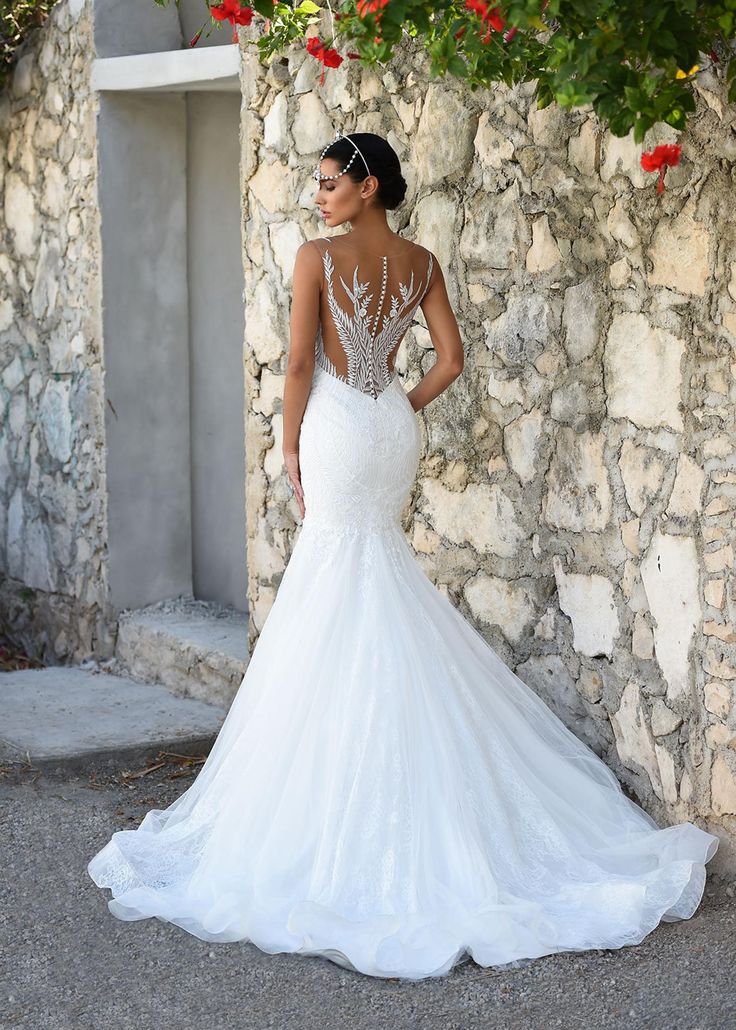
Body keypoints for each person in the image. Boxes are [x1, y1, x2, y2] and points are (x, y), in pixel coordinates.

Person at [87, 131, 719, 982]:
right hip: (389, 425)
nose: (318, 196)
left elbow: (304, 360)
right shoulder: (420, 259)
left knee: (337, 578)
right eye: (315, 186)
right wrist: (399, 408)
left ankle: (336, 795)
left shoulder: (318, 257)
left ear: (367, 183)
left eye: (327, 183)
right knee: (373, 572)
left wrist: (291, 447)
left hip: (341, 426)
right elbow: (451, 361)